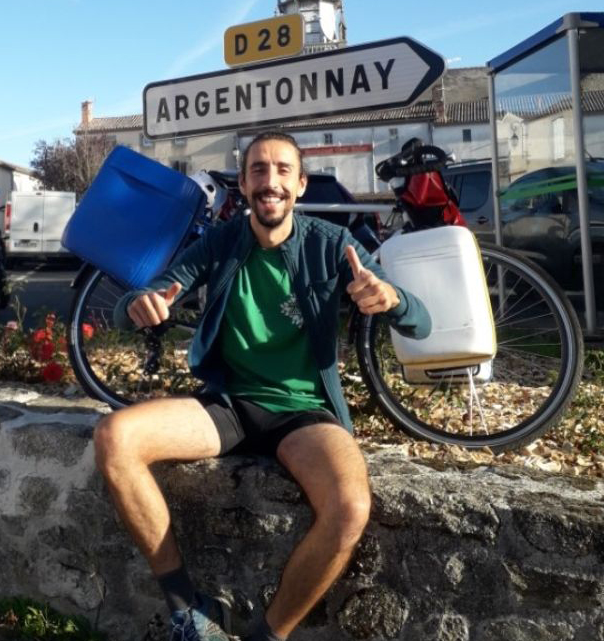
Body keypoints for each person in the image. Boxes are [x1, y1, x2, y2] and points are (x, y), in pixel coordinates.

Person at [94, 131, 431, 641]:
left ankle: (268, 634)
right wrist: (137, 306)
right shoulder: (223, 241)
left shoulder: (332, 244)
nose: (268, 181)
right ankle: (190, 611)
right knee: (115, 438)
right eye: (257, 170)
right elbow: (145, 294)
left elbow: (420, 321)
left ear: (299, 183)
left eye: (280, 170)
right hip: (227, 405)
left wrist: (390, 297)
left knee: (350, 508)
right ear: (245, 182)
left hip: (304, 414)